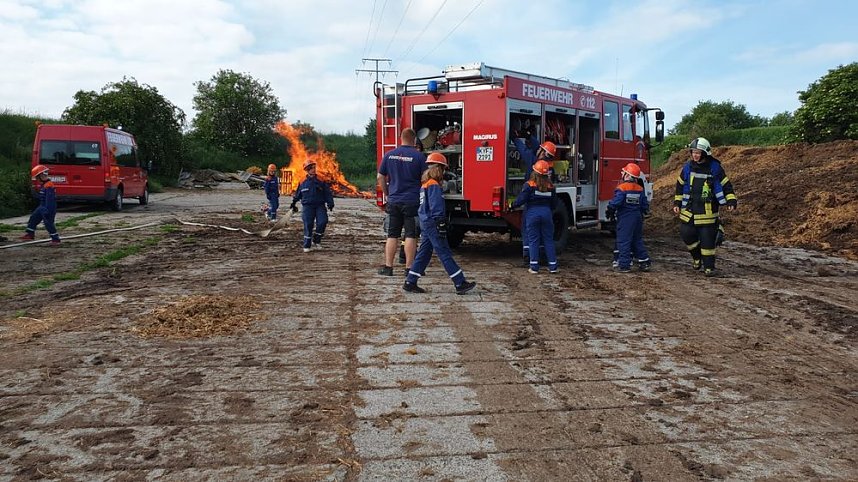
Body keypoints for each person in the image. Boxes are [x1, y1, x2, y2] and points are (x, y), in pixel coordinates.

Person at [404, 152, 476, 295]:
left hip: (425, 222)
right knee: (444, 252)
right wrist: (441, 223)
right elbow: (436, 206)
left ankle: (410, 281)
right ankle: (460, 282)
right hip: (433, 222)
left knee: (424, 253)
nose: (444, 172)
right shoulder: (434, 185)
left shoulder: (425, 184)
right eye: (443, 169)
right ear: (439, 168)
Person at [672, 137, 737, 276]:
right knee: (687, 235)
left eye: (698, 152)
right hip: (689, 210)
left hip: (708, 211)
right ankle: (696, 258)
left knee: (707, 241)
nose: (695, 155)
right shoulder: (687, 167)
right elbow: (680, 185)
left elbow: (726, 185)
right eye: (693, 152)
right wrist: (677, 203)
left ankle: (709, 268)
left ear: (705, 153)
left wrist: (731, 201)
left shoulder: (715, 168)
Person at [377, 128, 427, 276]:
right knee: (411, 235)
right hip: (411, 201)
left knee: (392, 235)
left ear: (401, 138)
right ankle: (409, 268)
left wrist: (387, 193)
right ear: (414, 140)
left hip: (394, 200)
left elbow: (380, 177)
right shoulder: (419, 157)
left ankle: (388, 267)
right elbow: (425, 178)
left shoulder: (389, 155)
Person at [512, 131, 556, 263]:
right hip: (546, 209)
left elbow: (524, 150)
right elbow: (538, 148)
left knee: (528, 231)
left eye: (541, 149)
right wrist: (529, 136)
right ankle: (550, 263)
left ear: (542, 152)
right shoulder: (548, 167)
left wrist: (515, 138)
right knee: (545, 235)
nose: (538, 149)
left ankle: (528, 256)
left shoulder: (535, 161)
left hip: (532, 208)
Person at [510, 160, 558, 274]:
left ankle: (534, 267)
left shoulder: (529, 185)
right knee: (548, 240)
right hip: (546, 214)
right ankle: (553, 267)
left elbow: (521, 199)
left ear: (534, 172)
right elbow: (554, 204)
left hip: (532, 214)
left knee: (533, 240)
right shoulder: (551, 187)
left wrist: (512, 205)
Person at [606, 163, 651, 273]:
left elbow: (617, 202)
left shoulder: (622, 188)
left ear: (627, 175)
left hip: (626, 218)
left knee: (624, 241)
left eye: (624, 172)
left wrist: (610, 210)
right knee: (637, 240)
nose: (622, 174)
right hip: (637, 217)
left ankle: (624, 265)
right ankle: (644, 261)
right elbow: (644, 204)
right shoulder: (640, 188)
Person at [290, 159, 334, 253]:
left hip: (320, 205)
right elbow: (298, 194)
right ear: (306, 169)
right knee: (308, 225)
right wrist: (293, 203)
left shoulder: (321, 180)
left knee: (323, 222)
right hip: (307, 207)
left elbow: (327, 193)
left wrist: (330, 203)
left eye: (314, 168)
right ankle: (307, 245)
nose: (313, 170)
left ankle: (317, 240)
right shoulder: (302, 182)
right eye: (311, 168)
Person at [21, 165, 61, 244]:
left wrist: (47, 210)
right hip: (42, 206)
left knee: (48, 223)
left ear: (41, 176)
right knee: (33, 218)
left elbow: (49, 200)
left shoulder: (48, 186)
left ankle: (55, 238)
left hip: (48, 207)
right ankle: (30, 234)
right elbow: (42, 197)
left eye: (37, 177)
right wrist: (34, 193)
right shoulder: (44, 185)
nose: (37, 179)